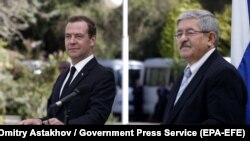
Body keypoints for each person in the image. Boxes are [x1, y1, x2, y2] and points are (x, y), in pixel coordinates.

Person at [20, 15, 116, 125]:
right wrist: (39, 122)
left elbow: (96, 118)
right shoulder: (62, 76)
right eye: (68, 36)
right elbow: (54, 118)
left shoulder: (103, 75)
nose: (72, 41)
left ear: (92, 40)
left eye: (78, 36)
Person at [162, 9, 247, 125]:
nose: (182, 38)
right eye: (179, 34)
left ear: (210, 38)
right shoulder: (185, 75)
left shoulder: (224, 74)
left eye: (190, 32)